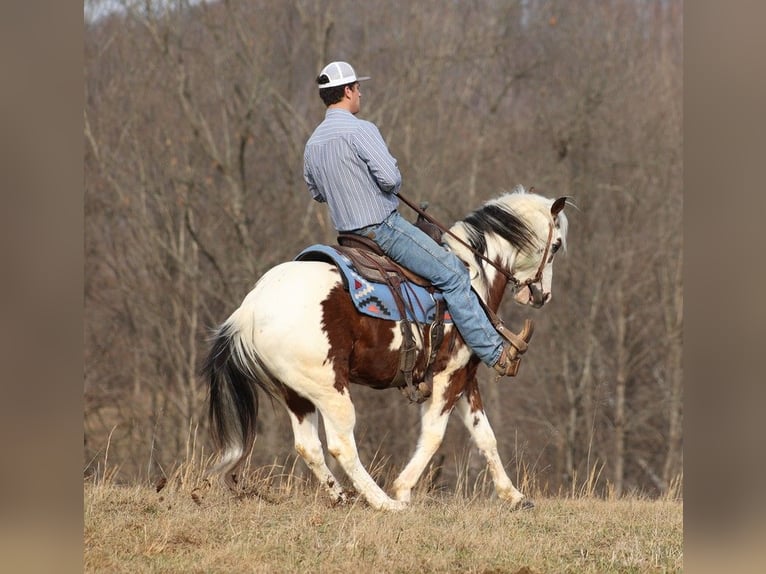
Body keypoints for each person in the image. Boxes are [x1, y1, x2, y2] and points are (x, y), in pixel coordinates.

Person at [303, 61, 519, 376]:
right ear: (347, 91)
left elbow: (317, 193)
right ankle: (496, 354)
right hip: (383, 230)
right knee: (454, 274)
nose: (360, 92)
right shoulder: (362, 130)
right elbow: (391, 180)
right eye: (358, 87)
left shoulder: (313, 144)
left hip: (347, 238)